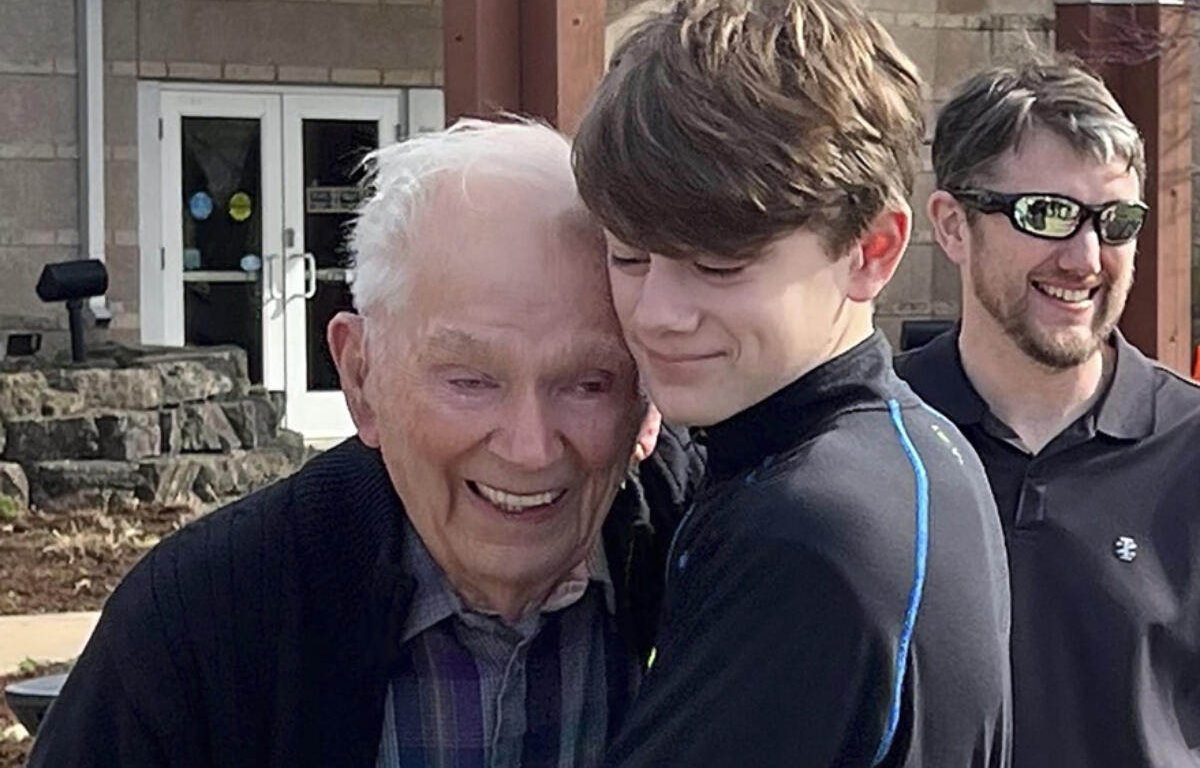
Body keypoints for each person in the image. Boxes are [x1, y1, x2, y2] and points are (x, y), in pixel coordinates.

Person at [27, 119, 698, 768]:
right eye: (470, 380)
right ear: (360, 376)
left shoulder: (723, 568)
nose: (529, 447)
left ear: (647, 399)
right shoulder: (204, 626)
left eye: (589, 383)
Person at [571, 0, 1011, 768]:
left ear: (871, 250)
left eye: (717, 265)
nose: (658, 312)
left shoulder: (809, 527)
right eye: (628, 255)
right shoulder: (918, 449)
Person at [896, 58, 1200, 768]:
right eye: (1046, 214)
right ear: (953, 227)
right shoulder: (875, 440)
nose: (1085, 257)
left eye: (1115, 221)